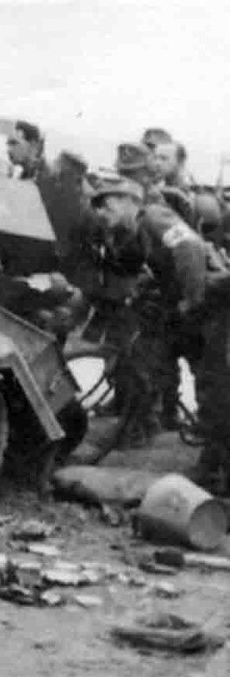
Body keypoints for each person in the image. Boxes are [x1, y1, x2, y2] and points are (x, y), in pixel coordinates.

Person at [90, 177, 230, 484]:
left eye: (108, 205)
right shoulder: (133, 232)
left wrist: (191, 301)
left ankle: (216, 467)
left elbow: (190, 248)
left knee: (214, 387)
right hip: (190, 308)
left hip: (211, 305)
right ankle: (145, 428)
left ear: (129, 201)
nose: (102, 212)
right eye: (99, 207)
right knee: (149, 360)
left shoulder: (153, 217)